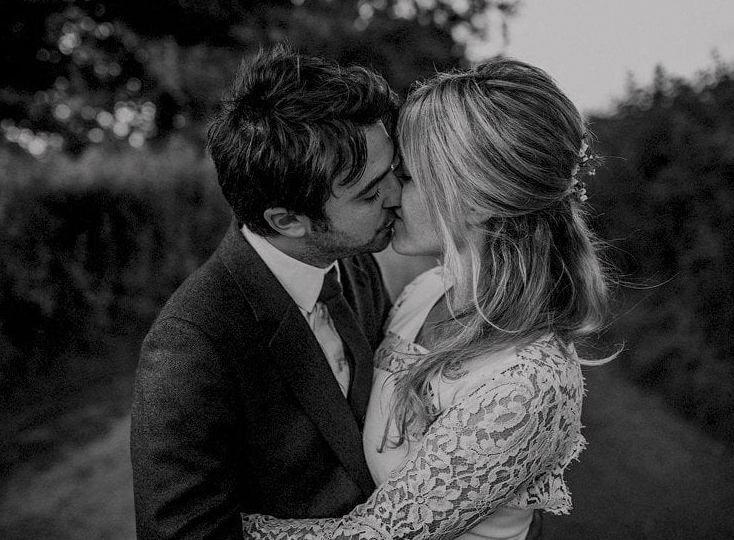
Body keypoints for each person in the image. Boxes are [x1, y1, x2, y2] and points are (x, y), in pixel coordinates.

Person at [241, 57, 611, 539]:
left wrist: (217, 529)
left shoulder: (529, 381)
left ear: (475, 198)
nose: (390, 193)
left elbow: (377, 535)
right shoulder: (428, 291)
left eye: (409, 176)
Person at [130, 46, 403, 539]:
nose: (396, 196)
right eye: (369, 192)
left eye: (392, 172)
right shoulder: (193, 342)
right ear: (288, 220)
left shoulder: (357, 266)